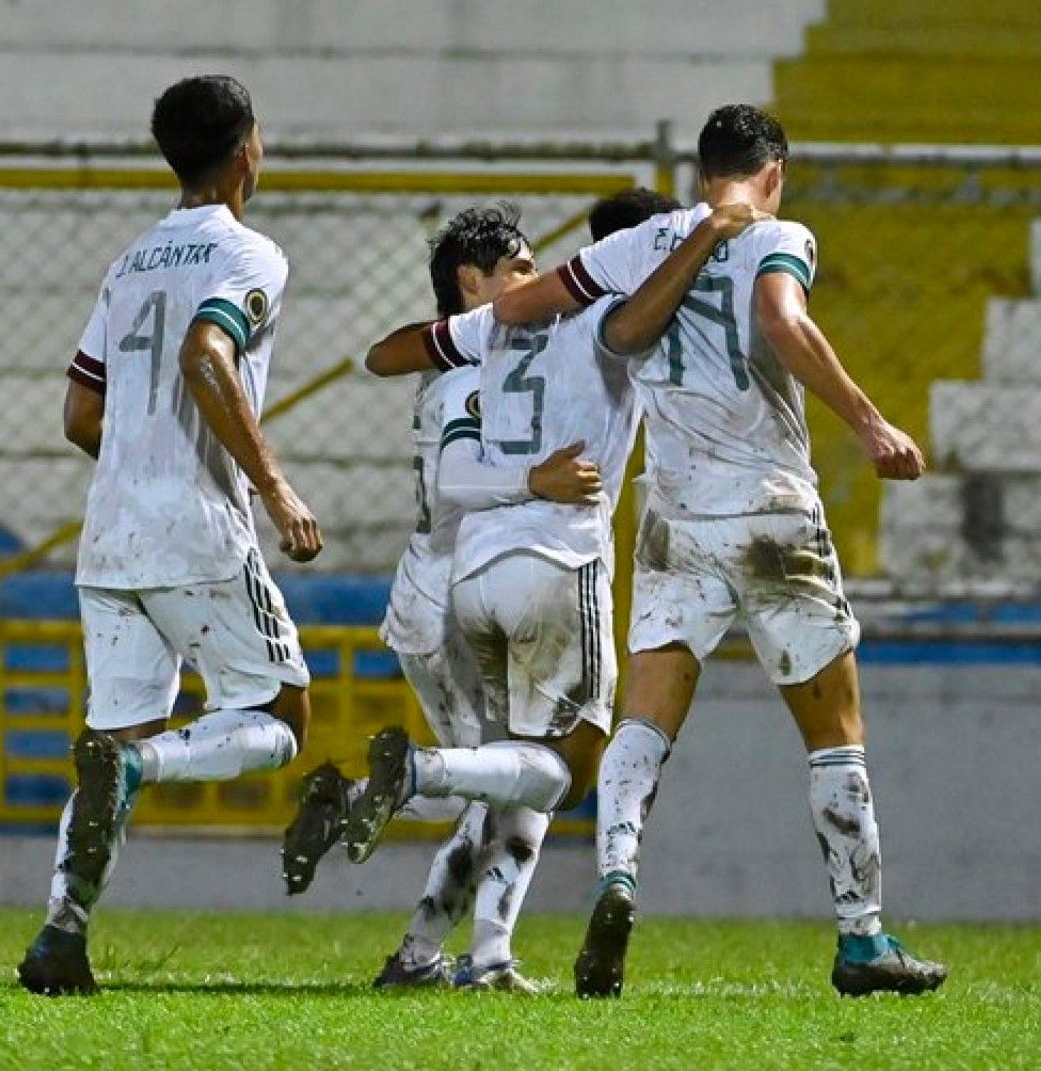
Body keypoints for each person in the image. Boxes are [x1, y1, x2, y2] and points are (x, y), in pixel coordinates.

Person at [492, 104, 947, 998]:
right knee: (834, 734)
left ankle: (617, 876)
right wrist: (869, 421)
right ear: (773, 171)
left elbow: (516, 305)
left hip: (673, 515)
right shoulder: (780, 234)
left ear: (704, 173)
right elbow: (781, 319)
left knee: (645, 722)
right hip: (773, 512)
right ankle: (861, 942)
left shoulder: (645, 241)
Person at [342, 189, 761, 991]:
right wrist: (706, 239)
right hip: (551, 562)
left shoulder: (496, 330)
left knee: (513, 774)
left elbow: (384, 355)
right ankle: (418, 777)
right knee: (566, 764)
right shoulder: (607, 323)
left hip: (472, 578)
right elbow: (636, 328)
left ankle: (454, 952)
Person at [16, 75, 324, 996]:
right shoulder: (250, 254)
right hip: (196, 527)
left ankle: (61, 934)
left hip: (109, 534)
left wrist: (138, 461)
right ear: (244, 152)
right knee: (279, 716)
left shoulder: (130, 261)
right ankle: (142, 768)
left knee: (110, 731)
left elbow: (80, 413)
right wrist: (274, 486)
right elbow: (205, 352)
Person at [279, 204, 599, 992]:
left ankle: (424, 942)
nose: (532, 280)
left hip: (445, 592)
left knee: (498, 782)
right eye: (519, 268)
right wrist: (539, 480)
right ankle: (474, 955)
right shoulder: (466, 373)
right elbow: (456, 480)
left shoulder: (474, 360)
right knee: (504, 779)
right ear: (471, 282)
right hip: (450, 603)